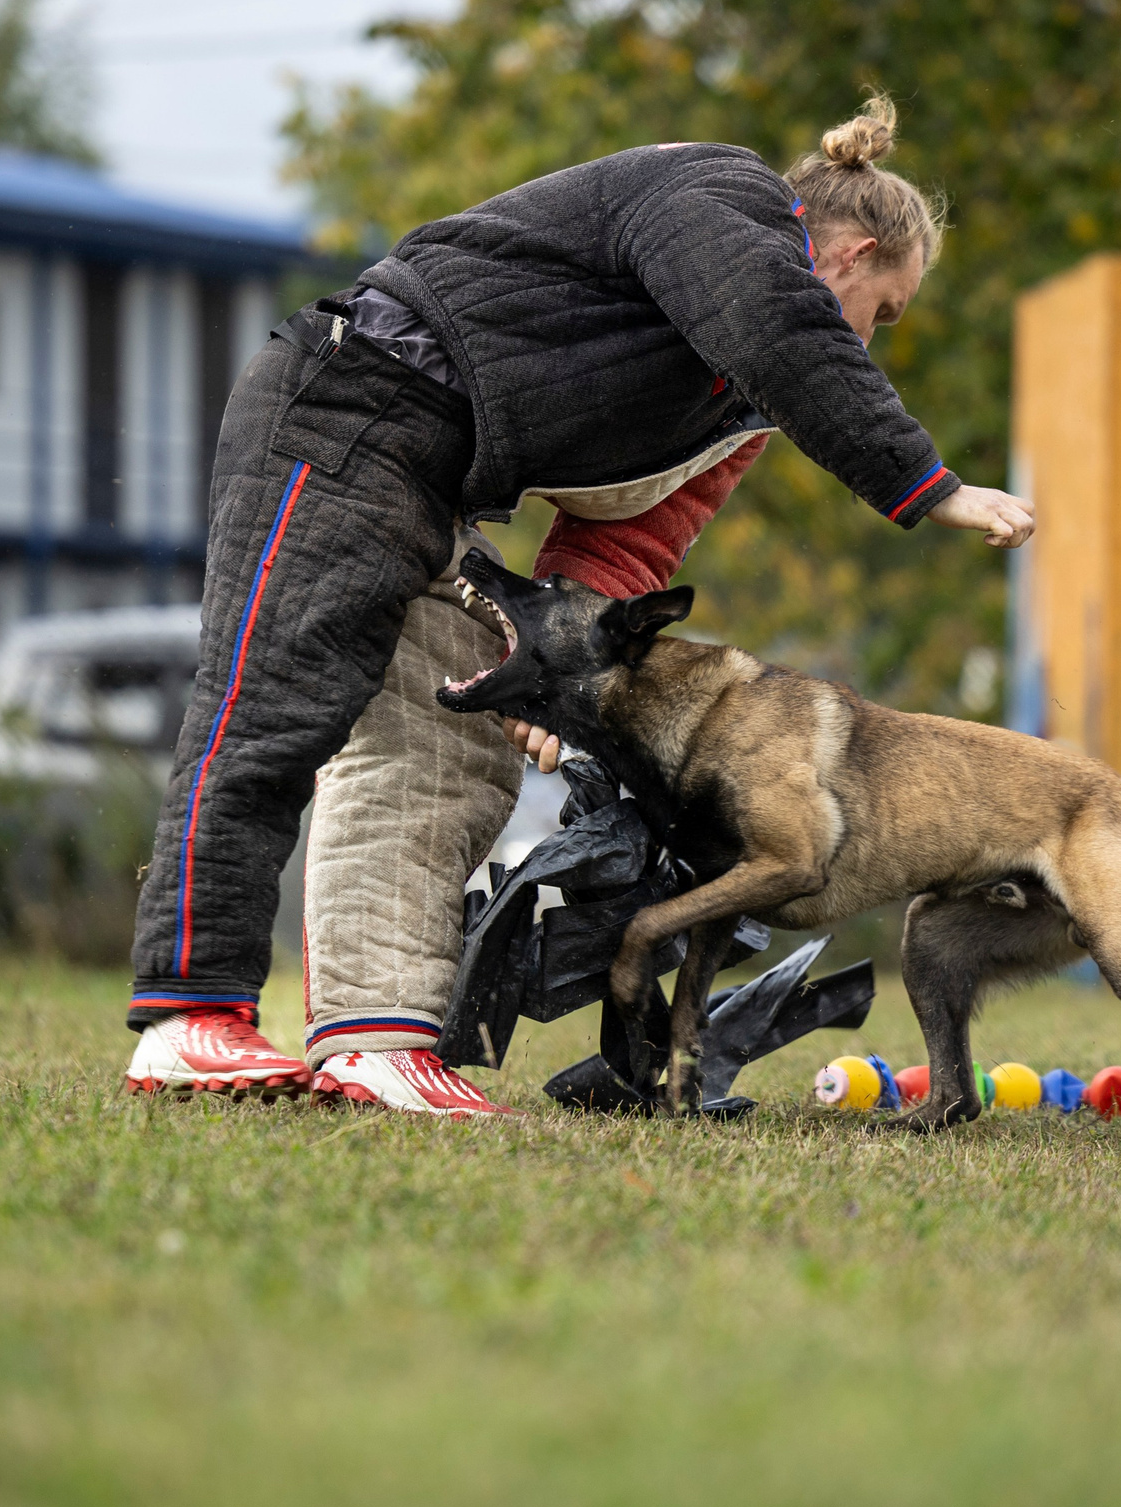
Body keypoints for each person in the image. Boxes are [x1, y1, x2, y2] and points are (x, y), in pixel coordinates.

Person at [121, 96, 1034, 1109]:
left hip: (431, 473)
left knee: (446, 744)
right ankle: (188, 1018)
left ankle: (372, 1042)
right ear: (851, 255)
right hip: (343, 406)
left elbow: (627, 541)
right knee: (275, 708)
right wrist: (927, 484)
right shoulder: (717, 195)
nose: (871, 341)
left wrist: (551, 676)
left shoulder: (734, 404)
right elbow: (784, 325)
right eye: (885, 311)